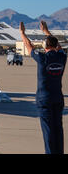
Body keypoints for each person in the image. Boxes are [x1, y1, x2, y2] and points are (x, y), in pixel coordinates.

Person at [19, 20, 66, 154]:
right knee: (58, 130)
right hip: (58, 98)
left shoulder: (42, 58)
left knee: (48, 132)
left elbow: (29, 47)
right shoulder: (62, 57)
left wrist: (22, 33)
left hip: (44, 99)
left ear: (45, 45)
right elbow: (58, 47)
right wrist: (46, 32)